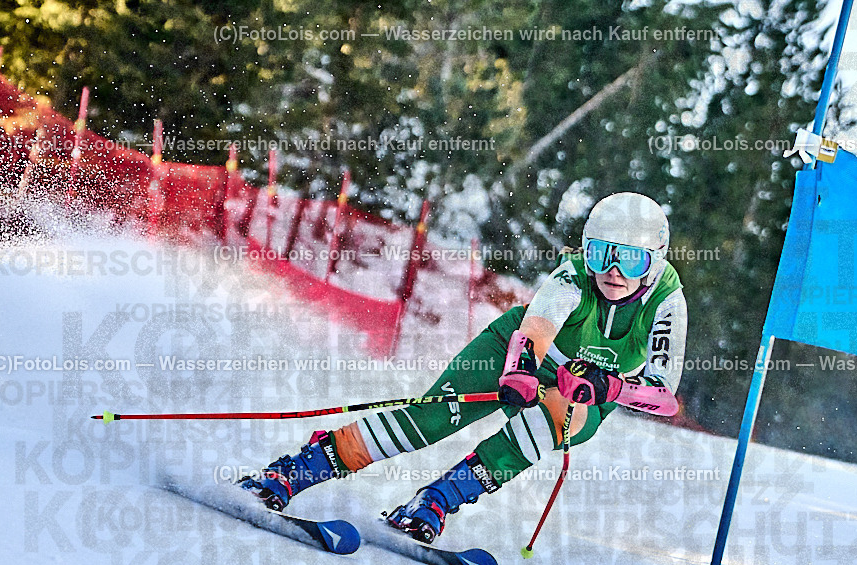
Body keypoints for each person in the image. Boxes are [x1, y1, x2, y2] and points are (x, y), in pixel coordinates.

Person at [239, 192, 688, 544]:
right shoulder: (573, 276)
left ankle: (436, 500)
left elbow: (663, 395)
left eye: (632, 259)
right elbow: (536, 328)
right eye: (600, 254)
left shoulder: (666, 300)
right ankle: (296, 470)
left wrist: (610, 387)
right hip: (516, 353)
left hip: (587, 392)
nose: (613, 271)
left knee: (550, 425)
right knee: (432, 417)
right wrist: (520, 371)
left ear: (656, 262)